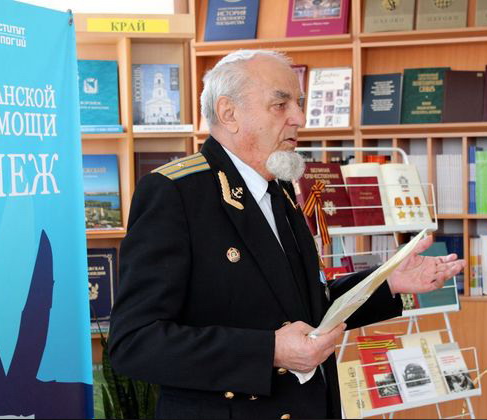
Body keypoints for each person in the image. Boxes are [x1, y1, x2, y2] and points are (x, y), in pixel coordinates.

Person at [108, 49, 466, 419]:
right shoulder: (176, 193)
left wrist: (387, 282)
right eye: (280, 105)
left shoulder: (278, 189)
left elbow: (305, 308)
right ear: (229, 113)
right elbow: (134, 342)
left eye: (299, 103)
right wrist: (270, 351)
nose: (299, 118)